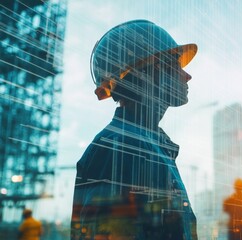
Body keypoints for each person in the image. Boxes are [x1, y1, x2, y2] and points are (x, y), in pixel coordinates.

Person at [71, 20, 198, 240]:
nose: (187, 76)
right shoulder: (116, 147)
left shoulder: (149, 145)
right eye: (177, 65)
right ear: (151, 71)